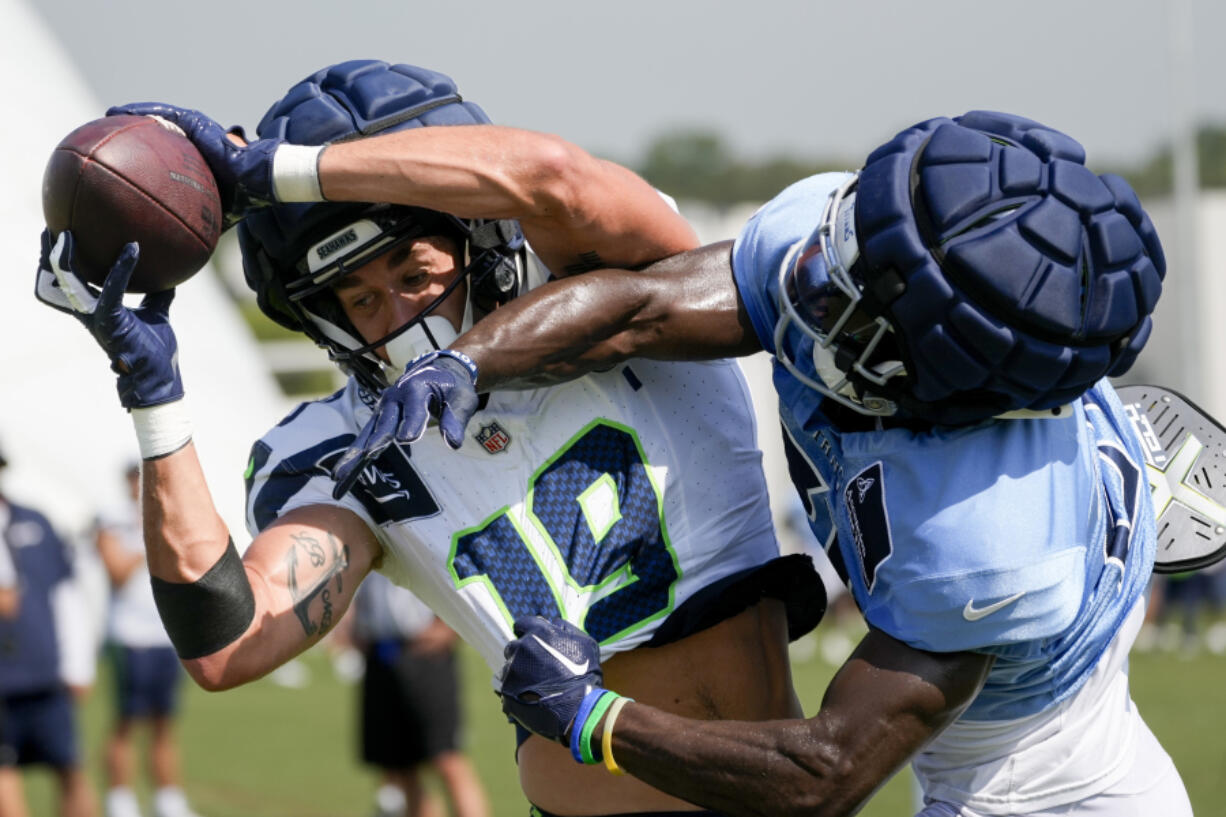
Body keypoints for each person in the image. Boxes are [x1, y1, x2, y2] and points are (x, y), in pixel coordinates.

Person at [35, 60, 823, 817]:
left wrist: (285, 173)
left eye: (414, 274)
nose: (399, 315)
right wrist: (154, 401)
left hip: (779, 781)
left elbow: (552, 175)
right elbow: (226, 642)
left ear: (476, 236)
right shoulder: (342, 443)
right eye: (360, 298)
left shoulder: (611, 284)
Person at [348, 111, 1193, 816]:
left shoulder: (988, 539)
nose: (817, 291)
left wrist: (593, 718)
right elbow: (641, 307)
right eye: (849, 256)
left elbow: (821, 773)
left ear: (946, 393)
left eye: (860, 313)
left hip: (1037, 795)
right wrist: (465, 361)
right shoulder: (857, 245)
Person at [94, 463, 200, 817]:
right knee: (126, 722)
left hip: (166, 636)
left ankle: (168, 799)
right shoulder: (113, 520)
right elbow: (117, 572)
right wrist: (149, 539)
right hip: (130, 636)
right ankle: (120, 800)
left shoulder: (169, 516)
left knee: (163, 722)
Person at [0, 445, 97, 817]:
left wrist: (79, 665)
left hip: (44, 675)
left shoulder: (35, 521)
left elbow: (65, 595)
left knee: (71, 767)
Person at [351, 572, 488, 817]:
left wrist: (450, 629)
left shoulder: (422, 536)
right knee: (402, 765)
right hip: (380, 656)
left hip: (426, 656)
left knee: (446, 758)